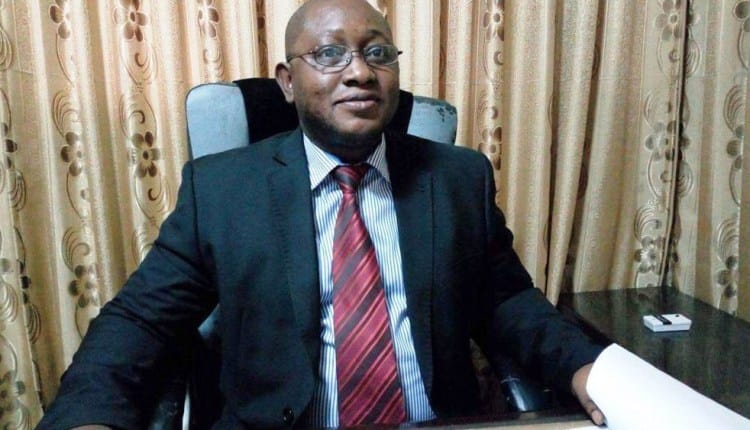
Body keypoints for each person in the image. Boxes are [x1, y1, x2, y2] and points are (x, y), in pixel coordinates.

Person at [38, 0, 606, 428]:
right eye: (330, 54)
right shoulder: (223, 190)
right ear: (288, 82)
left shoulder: (458, 178)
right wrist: (89, 417)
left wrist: (586, 368)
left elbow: (508, 301)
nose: (360, 72)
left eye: (378, 53)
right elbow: (141, 321)